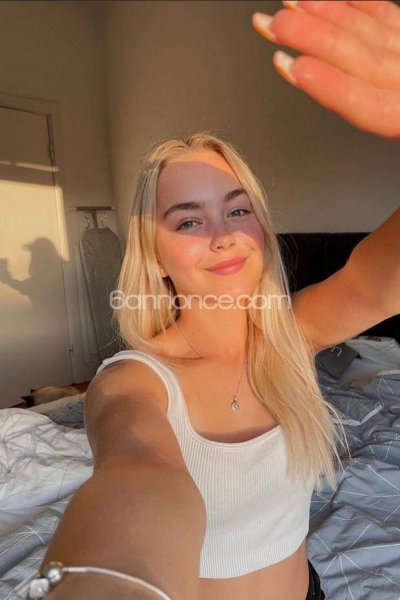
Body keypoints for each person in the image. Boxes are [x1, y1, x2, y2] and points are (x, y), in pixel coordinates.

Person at [31, 2, 400, 599]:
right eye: (187, 220)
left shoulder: (291, 333)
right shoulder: (133, 383)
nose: (223, 235)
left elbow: (380, 283)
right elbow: (137, 480)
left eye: (237, 210)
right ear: (154, 256)